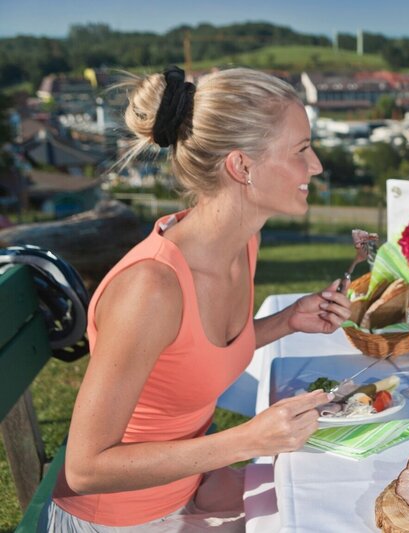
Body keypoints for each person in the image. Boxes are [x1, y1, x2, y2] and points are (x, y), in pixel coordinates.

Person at [42, 66, 351, 531]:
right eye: (302, 150)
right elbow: (86, 468)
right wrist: (246, 440)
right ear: (241, 165)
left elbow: (186, 357)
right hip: (122, 520)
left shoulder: (241, 243)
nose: (316, 166)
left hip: (188, 490)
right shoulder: (151, 289)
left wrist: (286, 321)